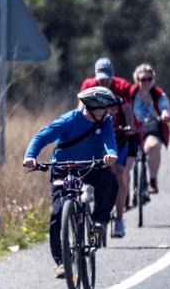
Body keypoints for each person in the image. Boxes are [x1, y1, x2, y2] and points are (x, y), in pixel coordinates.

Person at [23, 87, 120, 278]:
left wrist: (111, 154)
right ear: (94, 107)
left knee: (109, 180)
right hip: (62, 168)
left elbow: (110, 142)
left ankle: (99, 222)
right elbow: (42, 136)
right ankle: (61, 262)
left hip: (90, 166)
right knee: (57, 213)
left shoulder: (106, 121)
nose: (108, 111)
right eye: (105, 108)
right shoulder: (70, 120)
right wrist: (30, 156)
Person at [80, 58, 136, 238]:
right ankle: (89, 195)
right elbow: (81, 107)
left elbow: (126, 109)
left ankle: (119, 220)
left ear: (112, 75)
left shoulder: (120, 87)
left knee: (119, 172)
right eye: (101, 78)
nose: (104, 82)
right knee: (90, 167)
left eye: (107, 78)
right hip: (95, 136)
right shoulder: (89, 85)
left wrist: (130, 127)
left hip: (117, 137)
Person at [130, 63, 170, 194]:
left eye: (149, 79)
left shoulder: (158, 94)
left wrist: (165, 115)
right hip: (133, 124)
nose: (146, 82)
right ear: (137, 80)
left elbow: (164, 107)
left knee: (153, 146)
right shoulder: (131, 93)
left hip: (152, 124)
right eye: (143, 79)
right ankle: (124, 196)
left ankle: (152, 180)